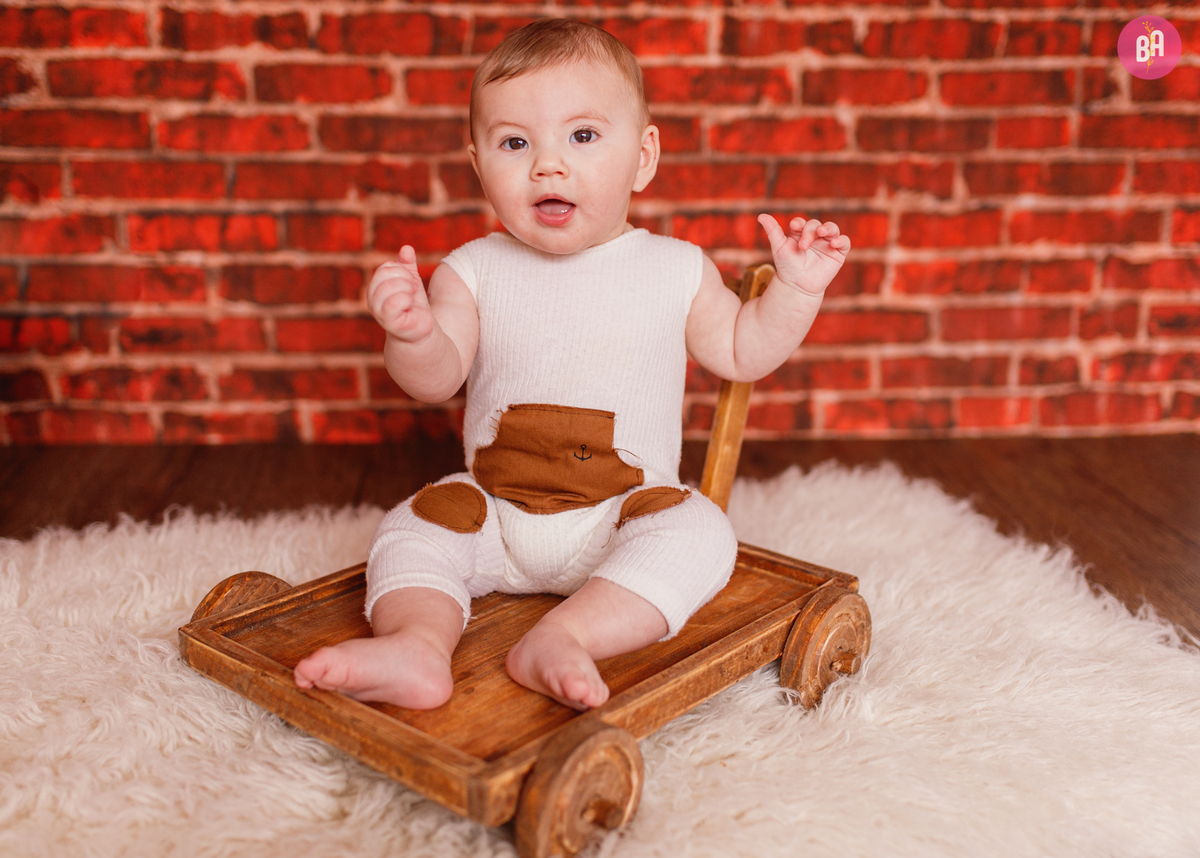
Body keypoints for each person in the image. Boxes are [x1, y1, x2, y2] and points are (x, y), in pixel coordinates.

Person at [294, 18, 850, 712]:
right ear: (478, 164)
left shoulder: (674, 269)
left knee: (702, 533)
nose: (547, 164)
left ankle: (566, 635)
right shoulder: (472, 272)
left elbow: (743, 351)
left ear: (643, 157)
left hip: (619, 519)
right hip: (493, 513)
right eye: (515, 142)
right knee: (412, 526)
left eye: (582, 136)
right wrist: (411, 333)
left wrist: (797, 289)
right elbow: (437, 379)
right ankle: (416, 643)